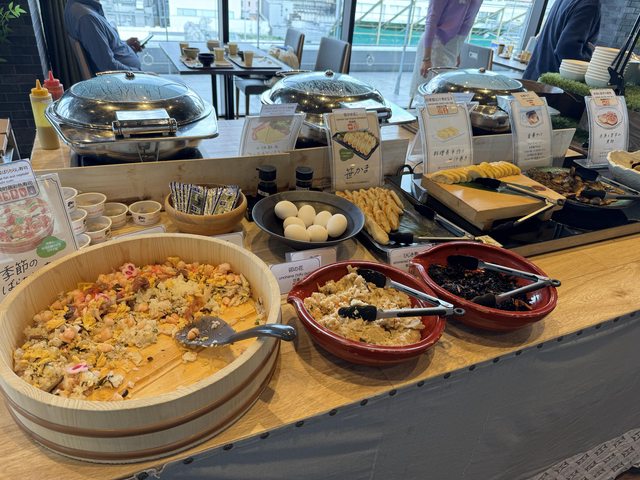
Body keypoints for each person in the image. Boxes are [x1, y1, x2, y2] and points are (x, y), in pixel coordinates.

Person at [409, 0, 484, 104]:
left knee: (443, 92)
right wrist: (426, 58)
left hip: (454, 46)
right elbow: (431, 21)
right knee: (434, 91)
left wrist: (458, 51)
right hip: (436, 44)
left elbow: (465, 22)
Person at [523, 0, 601, 81]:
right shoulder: (589, 5)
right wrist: (592, 64)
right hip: (551, 83)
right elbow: (567, 50)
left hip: (535, 75)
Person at [64, 0, 143, 75]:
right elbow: (108, 67)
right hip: (126, 79)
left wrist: (125, 46)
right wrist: (138, 73)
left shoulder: (84, 8)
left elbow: (100, 48)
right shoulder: (87, 18)